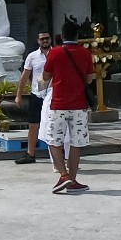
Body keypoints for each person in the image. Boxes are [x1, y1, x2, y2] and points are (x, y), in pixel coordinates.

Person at [43, 20, 95, 192]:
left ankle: (63, 175)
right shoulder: (85, 53)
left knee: (53, 140)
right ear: (77, 35)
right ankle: (72, 180)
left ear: (62, 35)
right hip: (79, 105)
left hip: (58, 104)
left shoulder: (55, 52)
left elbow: (45, 76)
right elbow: (89, 78)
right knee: (75, 143)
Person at [14, 30, 52, 152]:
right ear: (38, 41)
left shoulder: (57, 54)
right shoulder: (32, 56)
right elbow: (25, 76)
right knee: (33, 125)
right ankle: (30, 153)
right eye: (42, 39)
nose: (45, 41)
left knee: (55, 125)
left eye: (47, 38)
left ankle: (59, 154)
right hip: (37, 95)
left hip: (53, 95)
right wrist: (18, 95)